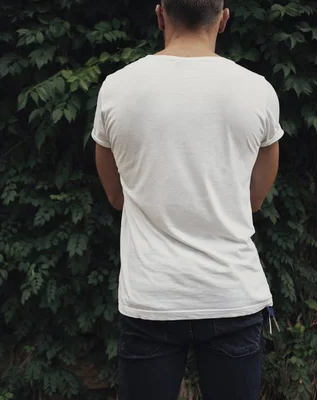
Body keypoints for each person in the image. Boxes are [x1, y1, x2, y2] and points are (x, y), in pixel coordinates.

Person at [92, 0, 283, 398]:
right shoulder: (258, 90)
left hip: (151, 298)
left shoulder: (117, 87)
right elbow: (253, 200)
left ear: (160, 14)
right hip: (232, 295)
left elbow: (115, 195)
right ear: (224, 19)